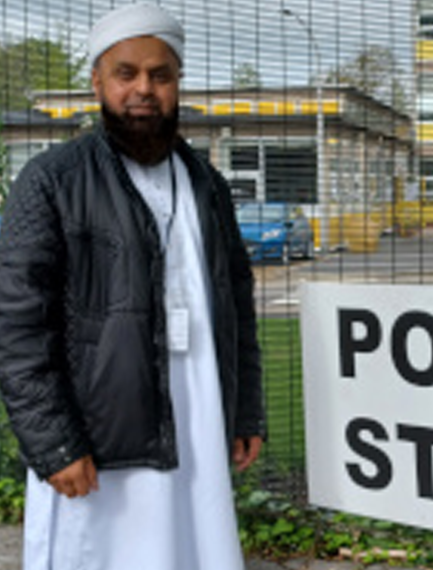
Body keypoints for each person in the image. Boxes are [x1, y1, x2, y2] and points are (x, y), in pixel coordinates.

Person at [0, 4, 265, 569]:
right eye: (126, 74)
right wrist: (54, 443)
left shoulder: (206, 183)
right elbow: (16, 324)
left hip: (198, 422)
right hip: (97, 443)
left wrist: (245, 414)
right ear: (97, 81)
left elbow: (237, 304)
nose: (143, 89)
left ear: (176, 83)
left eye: (160, 75)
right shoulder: (51, 180)